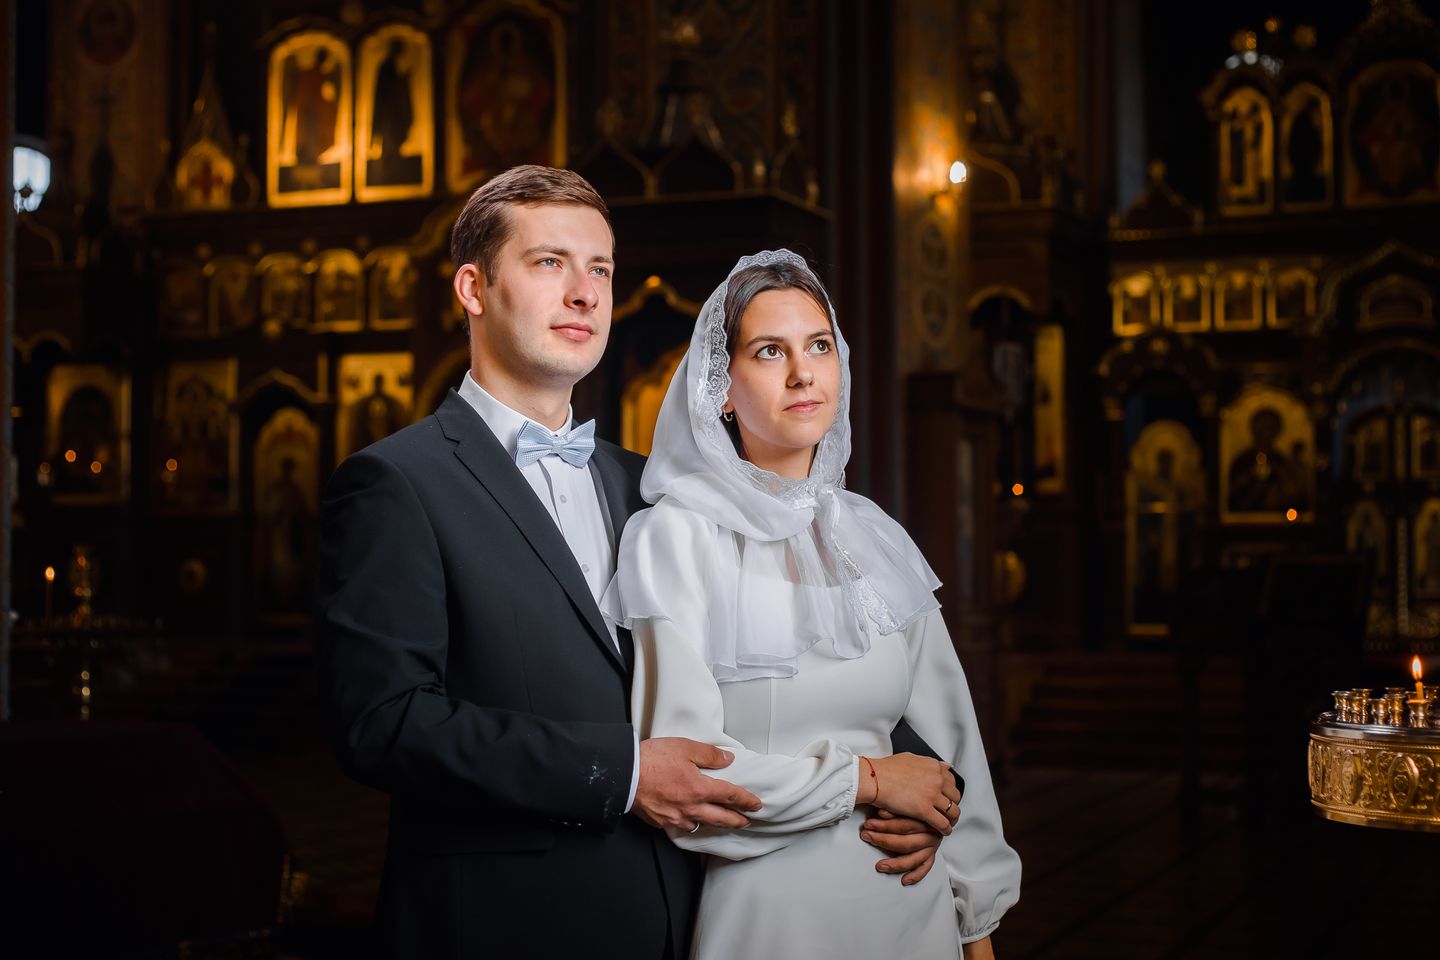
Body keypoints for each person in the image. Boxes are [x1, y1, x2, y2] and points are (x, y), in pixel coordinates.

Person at [314, 168, 943, 958]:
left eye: (600, 269)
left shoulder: (652, 487)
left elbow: (802, 652)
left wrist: (913, 786)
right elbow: (384, 723)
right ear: (473, 288)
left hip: (681, 913)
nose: (584, 293)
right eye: (549, 263)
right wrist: (624, 774)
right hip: (507, 921)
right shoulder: (396, 483)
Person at [603, 250, 1022, 959]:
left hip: (913, 913)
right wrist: (871, 783)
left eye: (819, 346)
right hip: (773, 920)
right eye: (770, 351)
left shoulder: (873, 535)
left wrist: (977, 923)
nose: (804, 373)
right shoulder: (676, 538)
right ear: (721, 389)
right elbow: (690, 782)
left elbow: (959, 755)